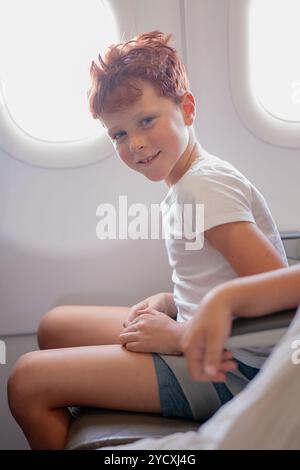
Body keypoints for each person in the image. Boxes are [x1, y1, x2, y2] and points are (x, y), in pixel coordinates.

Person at [7, 31, 287, 450]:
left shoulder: (203, 188)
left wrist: (180, 337)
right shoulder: (188, 181)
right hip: (209, 339)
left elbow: (280, 291)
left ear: (187, 109)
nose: (135, 144)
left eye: (146, 121)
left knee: (27, 382)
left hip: (234, 369)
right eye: (118, 134)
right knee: (55, 325)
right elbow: (222, 278)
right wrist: (172, 303)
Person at [103, 265, 300, 450]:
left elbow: (272, 290)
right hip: (195, 329)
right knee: (70, 328)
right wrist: (175, 301)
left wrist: (180, 334)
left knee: (69, 377)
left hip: (228, 359)